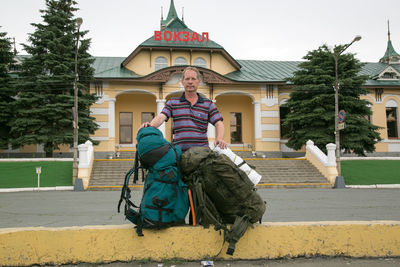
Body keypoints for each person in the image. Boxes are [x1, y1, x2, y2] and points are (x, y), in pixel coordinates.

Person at [141, 66, 227, 152]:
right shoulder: (173, 102)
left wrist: (219, 138)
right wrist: (150, 126)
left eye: (193, 79)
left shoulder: (208, 104)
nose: (190, 82)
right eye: (187, 79)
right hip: (179, 153)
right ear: (182, 82)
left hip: (202, 153)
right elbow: (161, 117)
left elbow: (219, 124)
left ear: (198, 82)